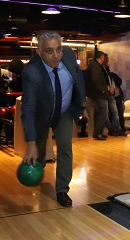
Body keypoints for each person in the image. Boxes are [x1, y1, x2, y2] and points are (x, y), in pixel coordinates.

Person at [21, 31, 85, 208]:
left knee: (65, 148)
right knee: (39, 152)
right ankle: (38, 169)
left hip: (64, 112)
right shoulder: (31, 72)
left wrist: (81, 101)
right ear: (39, 52)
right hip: (41, 114)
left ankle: (62, 190)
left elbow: (78, 76)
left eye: (58, 49)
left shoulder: (69, 55)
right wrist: (31, 144)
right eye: (49, 51)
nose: (56, 55)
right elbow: (28, 109)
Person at [84, 50, 111, 140]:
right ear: (101, 57)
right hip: (99, 94)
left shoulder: (93, 65)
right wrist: (102, 90)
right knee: (103, 112)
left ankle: (99, 131)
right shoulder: (95, 66)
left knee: (98, 113)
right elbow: (95, 80)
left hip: (95, 94)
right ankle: (98, 132)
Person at [103, 54, 126, 136]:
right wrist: (109, 88)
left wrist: (112, 87)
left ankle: (119, 128)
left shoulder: (110, 73)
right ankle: (112, 129)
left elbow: (116, 82)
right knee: (107, 114)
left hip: (114, 96)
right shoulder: (101, 71)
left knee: (117, 113)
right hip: (105, 95)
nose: (107, 60)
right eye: (106, 59)